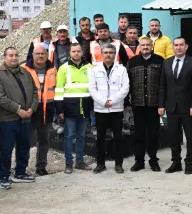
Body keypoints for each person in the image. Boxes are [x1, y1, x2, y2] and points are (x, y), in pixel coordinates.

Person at [0, 46, 39, 188]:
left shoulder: (25, 72)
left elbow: (35, 92)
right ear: (5, 57)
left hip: (26, 117)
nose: (14, 58)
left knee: (24, 146)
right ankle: (4, 176)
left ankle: (20, 173)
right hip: (8, 119)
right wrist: (18, 110)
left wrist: (32, 108)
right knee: (6, 149)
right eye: (10, 55)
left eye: (16, 55)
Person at [158, 37, 192, 175]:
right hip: (171, 107)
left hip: (188, 108)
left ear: (186, 47)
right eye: (176, 45)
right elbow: (163, 85)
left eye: (181, 45)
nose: (179, 47)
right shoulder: (167, 62)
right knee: (173, 137)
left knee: (190, 137)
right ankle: (176, 162)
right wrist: (161, 105)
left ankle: (189, 163)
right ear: (173, 47)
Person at [90, 42, 130, 173]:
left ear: (115, 54)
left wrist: (112, 101)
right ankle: (100, 164)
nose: (108, 55)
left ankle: (118, 164)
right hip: (100, 109)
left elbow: (125, 88)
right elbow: (92, 89)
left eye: (111, 52)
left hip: (116, 109)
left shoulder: (122, 70)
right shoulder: (94, 70)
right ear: (102, 54)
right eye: (106, 52)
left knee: (118, 138)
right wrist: (103, 102)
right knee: (100, 138)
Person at [126, 36, 165, 171]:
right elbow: (127, 83)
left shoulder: (160, 61)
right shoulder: (132, 62)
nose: (145, 47)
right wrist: (127, 102)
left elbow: (163, 84)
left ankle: (153, 160)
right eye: (143, 45)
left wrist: (162, 104)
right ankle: (139, 161)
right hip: (138, 104)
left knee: (153, 134)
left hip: (154, 105)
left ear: (152, 46)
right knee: (139, 134)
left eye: (148, 45)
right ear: (139, 47)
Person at [54, 42, 94, 172]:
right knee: (69, 136)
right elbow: (59, 90)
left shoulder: (90, 68)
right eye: (73, 51)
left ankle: (80, 162)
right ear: (70, 53)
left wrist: (93, 107)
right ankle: (68, 164)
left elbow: (93, 89)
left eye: (78, 51)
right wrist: (59, 109)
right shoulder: (63, 68)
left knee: (81, 136)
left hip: (85, 107)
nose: (76, 54)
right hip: (69, 108)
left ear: (82, 52)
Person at [23, 44, 57, 176]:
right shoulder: (24, 69)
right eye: (37, 54)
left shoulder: (53, 69)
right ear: (32, 55)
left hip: (47, 111)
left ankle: (41, 167)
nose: (40, 56)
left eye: (43, 53)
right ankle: (22, 168)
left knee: (44, 141)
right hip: (29, 111)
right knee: (25, 141)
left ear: (47, 55)